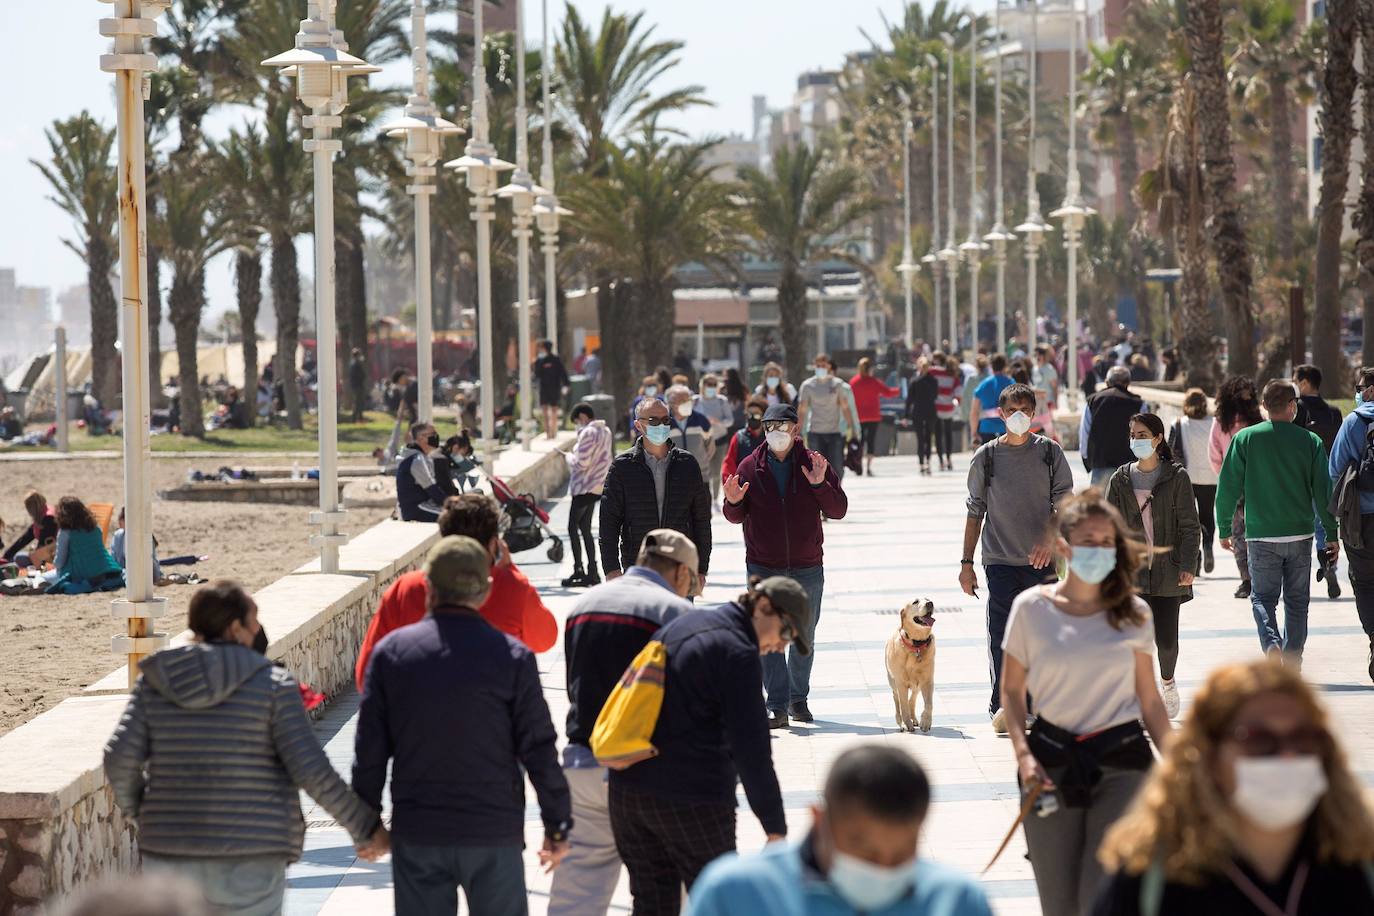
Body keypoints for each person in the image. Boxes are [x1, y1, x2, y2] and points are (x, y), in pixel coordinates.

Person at [104, 581, 386, 915]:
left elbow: (118, 757)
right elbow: (311, 770)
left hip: (170, 856)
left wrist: (144, 813)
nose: (259, 629)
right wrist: (365, 828)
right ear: (235, 628)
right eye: (254, 620)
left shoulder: (156, 680)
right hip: (253, 857)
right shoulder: (272, 685)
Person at [353, 536, 571, 915]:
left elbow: (369, 749)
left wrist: (366, 823)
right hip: (493, 832)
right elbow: (538, 747)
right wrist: (557, 826)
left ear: (429, 589)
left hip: (419, 830)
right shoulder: (512, 656)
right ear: (485, 590)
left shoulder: (392, 655)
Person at [1001, 492, 1173, 916]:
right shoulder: (1031, 609)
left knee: (1103, 896)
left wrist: (1182, 765)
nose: (1098, 550)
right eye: (1087, 541)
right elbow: (1011, 692)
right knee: (1058, 901)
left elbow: (1150, 700)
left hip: (1122, 761)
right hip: (1050, 761)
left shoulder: (1134, 613)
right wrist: (1023, 756)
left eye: (1106, 541)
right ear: (1064, 547)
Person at [1092, 659, 1374, 916]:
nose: (1287, 755)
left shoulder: (1359, 865)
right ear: (1209, 755)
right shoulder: (1149, 880)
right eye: (1258, 740)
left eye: (1303, 738)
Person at [609, 577, 808, 913]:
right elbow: (753, 749)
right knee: (721, 905)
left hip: (628, 794)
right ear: (762, 607)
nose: (781, 646)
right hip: (691, 801)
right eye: (786, 633)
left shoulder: (687, 623)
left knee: (652, 905)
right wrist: (775, 828)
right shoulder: (737, 652)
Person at [549, 530, 698, 916]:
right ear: (681, 572)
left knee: (576, 895)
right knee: (660, 893)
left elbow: (574, 686)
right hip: (646, 774)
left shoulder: (583, 605)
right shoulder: (676, 614)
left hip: (583, 764)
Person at [687, 746, 995, 916]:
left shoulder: (956, 901)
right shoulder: (733, 893)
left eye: (903, 853)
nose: (884, 868)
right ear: (819, 820)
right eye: (865, 850)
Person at [723, 403, 848, 728]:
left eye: (782, 425)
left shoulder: (814, 463)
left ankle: (798, 699)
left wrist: (820, 485)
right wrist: (732, 502)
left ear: (796, 428)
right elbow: (735, 514)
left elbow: (838, 510)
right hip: (763, 566)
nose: (775, 432)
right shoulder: (750, 466)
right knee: (768, 635)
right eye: (769, 427)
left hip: (807, 566)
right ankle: (776, 704)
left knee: (804, 634)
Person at [355, 493, 556, 689]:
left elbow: (366, 675)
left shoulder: (406, 589)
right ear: (494, 544)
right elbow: (545, 640)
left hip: (416, 716)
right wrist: (511, 572)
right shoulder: (512, 588)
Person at [962, 382, 1073, 734]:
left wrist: (1048, 540)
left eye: (1025, 409)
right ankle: (1004, 704)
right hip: (999, 560)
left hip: (1042, 563)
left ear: (1034, 412)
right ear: (1000, 413)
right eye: (1012, 410)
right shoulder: (987, 456)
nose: (1019, 416)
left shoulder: (1050, 453)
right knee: (1002, 636)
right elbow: (974, 510)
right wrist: (966, 564)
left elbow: (1066, 503)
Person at [1216, 380, 1339, 666]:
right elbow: (1324, 492)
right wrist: (1331, 533)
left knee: (1262, 599)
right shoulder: (1310, 441)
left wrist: (1224, 529)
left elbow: (1227, 488)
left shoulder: (1245, 439)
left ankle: (1272, 647)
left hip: (1260, 535)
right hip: (1299, 534)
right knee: (1297, 602)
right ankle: (1293, 658)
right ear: (1292, 406)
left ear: (1264, 406)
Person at [1106, 413, 1201, 719]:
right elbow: (1108, 527)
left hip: (1168, 571)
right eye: (1133, 434)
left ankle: (1168, 681)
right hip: (1132, 573)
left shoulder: (1176, 477)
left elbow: (1190, 525)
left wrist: (1188, 564)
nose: (1136, 440)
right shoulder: (1119, 479)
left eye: (1143, 434)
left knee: (1166, 641)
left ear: (1159, 438)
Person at [599, 397, 712, 585]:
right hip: (638, 569)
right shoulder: (622, 467)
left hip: (680, 567)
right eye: (653, 421)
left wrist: (701, 568)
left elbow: (701, 519)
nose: (661, 425)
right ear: (638, 425)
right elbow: (609, 522)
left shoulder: (687, 464)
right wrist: (611, 568)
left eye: (666, 420)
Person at [1329, 366, 1374, 684]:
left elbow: (1335, 472)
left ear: (1369, 391)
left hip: (1360, 521)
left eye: (1360, 387)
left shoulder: (1353, 422)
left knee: (1365, 582)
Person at [1294, 364, 1344, 599]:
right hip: (1332, 475)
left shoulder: (1298, 410)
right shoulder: (1334, 412)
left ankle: (1299, 577)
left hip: (1305, 475)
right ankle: (1329, 564)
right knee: (1325, 523)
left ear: (1304, 383)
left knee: (1306, 526)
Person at [1211, 375, 1263, 598]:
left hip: (1233, 488)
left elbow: (1214, 455)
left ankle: (1246, 580)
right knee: (1256, 535)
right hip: (1258, 488)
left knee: (1238, 537)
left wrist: (1225, 479)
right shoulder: (1259, 422)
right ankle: (1258, 578)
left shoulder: (1221, 423)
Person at [1168, 388, 1220, 574]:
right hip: (1210, 477)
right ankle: (1208, 546)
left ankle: (1195, 558)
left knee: (1188, 520)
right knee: (1207, 515)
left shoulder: (1179, 423)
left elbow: (1169, 450)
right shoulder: (1215, 422)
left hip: (1186, 478)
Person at [563, 402, 613, 588]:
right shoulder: (605, 431)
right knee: (584, 528)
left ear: (583, 417)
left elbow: (582, 462)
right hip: (597, 485)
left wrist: (568, 457)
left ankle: (580, 570)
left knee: (572, 528)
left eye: (577, 420)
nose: (578, 424)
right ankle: (593, 571)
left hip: (584, 486)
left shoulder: (588, 432)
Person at [1081, 365, 1145, 488]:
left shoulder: (1093, 401)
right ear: (1128, 383)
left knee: (1100, 505)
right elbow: (1144, 435)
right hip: (1129, 464)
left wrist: (1087, 459)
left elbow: (1085, 433)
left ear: (1106, 382)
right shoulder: (1138, 403)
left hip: (1100, 462)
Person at [798, 353, 858, 483]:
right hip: (815, 433)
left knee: (837, 467)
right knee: (817, 467)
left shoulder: (838, 384)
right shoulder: (807, 385)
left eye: (823, 365)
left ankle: (836, 493)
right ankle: (820, 495)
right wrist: (798, 431)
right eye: (818, 365)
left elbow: (845, 407)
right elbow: (802, 409)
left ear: (829, 366)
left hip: (835, 433)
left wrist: (852, 429)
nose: (821, 368)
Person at [47, 496, 125, 595]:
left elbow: (59, 563)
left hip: (80, 574)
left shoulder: (65, 532)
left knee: (43, 577)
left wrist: (52, 563)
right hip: (105, 569)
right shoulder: (95, 528)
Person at [850, 356, 901, 476]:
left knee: (860, 441)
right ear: (870, 369)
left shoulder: (853, 382)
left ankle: (859, 465)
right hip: (873, 416)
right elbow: (888, 392)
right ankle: (868, 467)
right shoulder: (874, 381)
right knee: (871, 441)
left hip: (859, 416)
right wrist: (898, 390)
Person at [396, 421, 447, 522]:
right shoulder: (417, 460)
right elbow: (432, 489)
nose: (436, 437)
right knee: (457, 518)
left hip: (420, 506)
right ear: (421, 438)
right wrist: (452, 504)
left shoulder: (417, 456)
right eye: (433, 434)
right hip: (417, 509)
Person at [695, 374, 735, 501]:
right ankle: (703, 496)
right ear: (703, 386)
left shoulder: (722, 401)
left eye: (714, 384)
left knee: (716, 470)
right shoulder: (695, 401)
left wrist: (718, 422)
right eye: (708, 384)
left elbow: (730, 421)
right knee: (702, 470)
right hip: (701, 441)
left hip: (720, 439)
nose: (711, 387)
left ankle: (715, 498)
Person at [666, 383, 715, 484]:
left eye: (688, 400)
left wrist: (701, 462)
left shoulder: (701, 420)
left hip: (700, 477)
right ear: (672, 404)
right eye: (683, 401)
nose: (687, 403)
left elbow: (710, 447)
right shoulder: (664, 423)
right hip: (673, 479)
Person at [3, 490, 57, 566]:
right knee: (14, 557)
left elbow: (43, 546)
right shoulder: (44, 513)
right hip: (47, 554)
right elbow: (25, 538)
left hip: (53, 557)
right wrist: (6, 556)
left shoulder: (48, 519)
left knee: (18, 558)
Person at [721, 396, 769, 481]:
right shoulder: (738, 437)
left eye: (756, 415)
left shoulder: (770, 438)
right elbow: (729, 465)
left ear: (764, 416)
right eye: (749, 414)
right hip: (744, 488)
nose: (752, 417)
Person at [970, 354, 1014, 447]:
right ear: (1005, 366)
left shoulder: (983, 384)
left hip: (986, 428)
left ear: (991, 366)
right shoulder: (1011, 383)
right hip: (1007, 428)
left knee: (988, 459)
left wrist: (974, 432)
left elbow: (974, 411)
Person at [905, 356, 938, 476]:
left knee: (920, 439)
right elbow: (935, 395)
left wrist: (906, 414)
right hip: (930, 411)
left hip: (918, 412)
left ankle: (921, 463)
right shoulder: (933, 380)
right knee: (928, 438)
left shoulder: (915, 380)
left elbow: (909, 399)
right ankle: (928, 462)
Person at [535, 339, 571, 438]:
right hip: (546, 388)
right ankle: (548, 431)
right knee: (546, 410)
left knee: (552, 410)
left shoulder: (555, 360)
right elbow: (537, 374)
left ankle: (552, 431)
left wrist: (566, 384)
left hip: (552, 388)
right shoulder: (540, 360)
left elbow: (562, 373)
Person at [930, 352, 960, 471]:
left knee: (938, 435)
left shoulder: (933, 372)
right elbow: (958, 394)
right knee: (948, 435)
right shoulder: (953, 375)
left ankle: (941, 461)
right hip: (948, 409)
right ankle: (949, 459)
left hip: (936, 408)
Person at [432, 430, 478, 498]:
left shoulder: (443, 455)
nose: (462, 457)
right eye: (463, 453)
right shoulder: (440, 459)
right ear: (455, 447)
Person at [1031, 344, 1060, 437]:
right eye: (1035, 355)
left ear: (1043, 355)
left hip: (1048, 402)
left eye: (1038, 355)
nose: (1036, 357)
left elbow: (1055, 387)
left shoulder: (1049, 369)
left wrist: (1056, 402)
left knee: (1048, 428)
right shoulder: (1034, 368)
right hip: (1036, 403)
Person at [348, 347, 368, 423]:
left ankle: (360, 418)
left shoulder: (354, 363)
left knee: (359, 402)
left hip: (357, 385)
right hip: (357, 386)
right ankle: (355, 419)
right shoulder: (355, 363)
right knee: (357, 402)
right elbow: (359, 375)